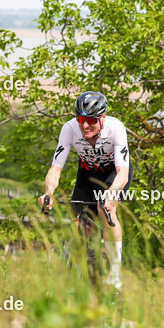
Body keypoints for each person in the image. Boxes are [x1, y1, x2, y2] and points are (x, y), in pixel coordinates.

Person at [38, 90, 132, 289]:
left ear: (103, 117)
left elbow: (122, 172)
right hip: (88, 174)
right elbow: (56, 167)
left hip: (113, 175)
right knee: (80, 223)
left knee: (105, 208)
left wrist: (112, 193)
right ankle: (80, 280)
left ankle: (114, 276)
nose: (85, 125)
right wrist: (49, 192)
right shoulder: (70, 128)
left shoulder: (116, 128)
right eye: (81, 118)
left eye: (91, 120)